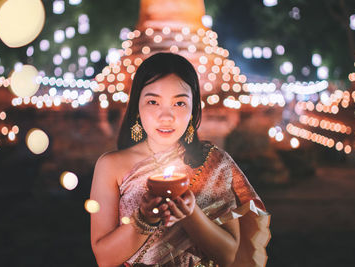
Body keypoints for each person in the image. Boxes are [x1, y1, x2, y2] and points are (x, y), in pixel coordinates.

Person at [90, 52, 271, 267]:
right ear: (137, 106)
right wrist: (145, 220)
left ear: (193, 109)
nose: (166, 116)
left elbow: (228, 255)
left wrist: (190, 214)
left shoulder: (214, 162)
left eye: (179, 103)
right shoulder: (111, 166)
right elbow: (104, 259)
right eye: (153, 101)